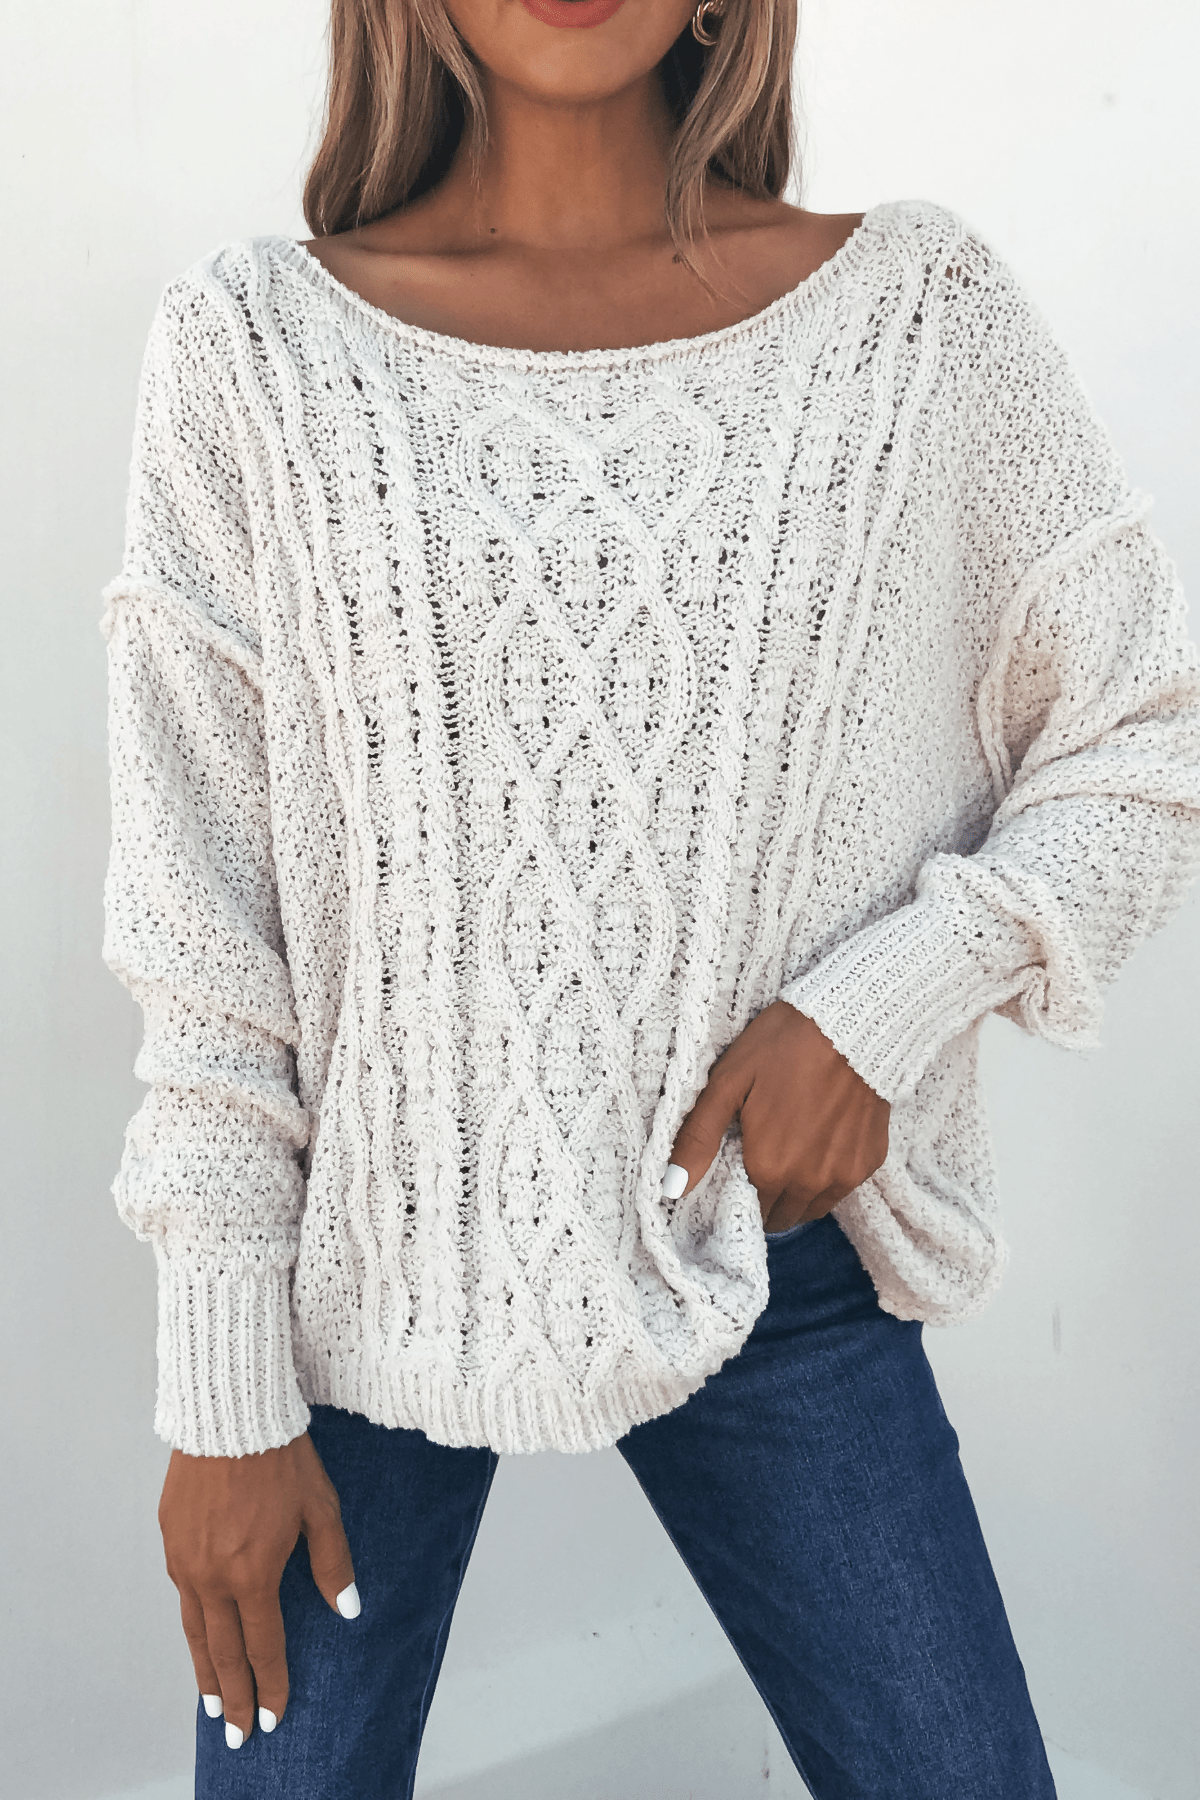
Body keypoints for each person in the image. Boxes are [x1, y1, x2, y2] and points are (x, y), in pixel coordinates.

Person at [98, 0, 1200, 1794]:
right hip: (357, 1282)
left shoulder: (918, 324)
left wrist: (885, 1001)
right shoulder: (253, 353)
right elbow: (206, 921)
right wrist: (217, 1388)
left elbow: (1144, 728)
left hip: (766, 1264)